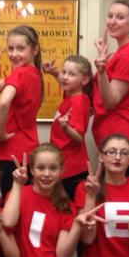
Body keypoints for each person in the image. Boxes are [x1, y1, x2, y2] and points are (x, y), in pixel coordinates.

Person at [91, 0, 129, 176]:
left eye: (120, 17)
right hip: (119, 131)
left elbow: (111, 101)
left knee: (115, 194)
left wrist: (101, 72)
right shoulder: (123, 51)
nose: (112, 21)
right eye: (110, 16)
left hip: (126, 131)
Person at [0, 25, 43, 198]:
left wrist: (0, 133)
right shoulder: (33, 73)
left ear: (35, 49)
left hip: (13, 152)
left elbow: (2, 103)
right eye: (10, 49)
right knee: (24, 202)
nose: (14, 54)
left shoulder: (21, 74)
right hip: (28, 149)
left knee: (12, 204)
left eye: (21, 48)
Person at [46, 54, 93, 198]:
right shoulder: (71, 95)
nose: (65, 77)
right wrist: (54, 72)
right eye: (64, 72)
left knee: (67, 208)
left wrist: (66, 127)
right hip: (63, 164)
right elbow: (65, 83)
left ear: (84, 80)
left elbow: (79, 138)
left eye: (71, 74)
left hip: (72, 169)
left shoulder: (78, 102)